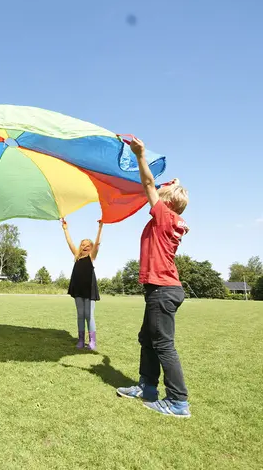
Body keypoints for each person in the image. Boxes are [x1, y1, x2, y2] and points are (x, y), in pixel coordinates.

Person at [116, 137, 191, 418]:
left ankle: (178, 402)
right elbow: (160, 189)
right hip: (161, 288)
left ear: (168, 201)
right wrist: (175, 184)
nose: (161, 189)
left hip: (162, 289)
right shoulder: (172, 219)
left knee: (162, 344)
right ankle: (147, 387)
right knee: (146, 339)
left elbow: (148, 185)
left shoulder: (163, 215)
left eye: (166, 191)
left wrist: (140, 155)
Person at [62, 218, 103, 350]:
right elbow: (69, 242)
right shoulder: (76, 256)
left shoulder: (91, 257)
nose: (85, 247)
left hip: (89, 289)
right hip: (78, 288)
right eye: (83, 245)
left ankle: (92, 342)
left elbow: (97, 244)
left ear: (91, 248)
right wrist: (65, 229)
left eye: (87, 245)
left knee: (89, 315)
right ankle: (80, 340)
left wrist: (100, 227)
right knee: (80, 314)